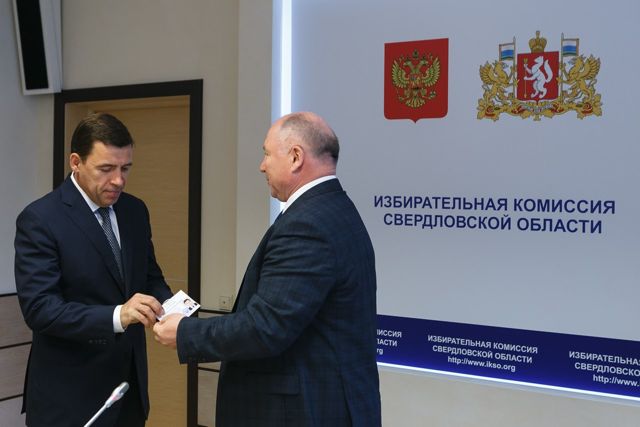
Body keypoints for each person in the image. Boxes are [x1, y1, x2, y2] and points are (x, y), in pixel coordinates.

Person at [154, 111, 381, 426]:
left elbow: (266, 327)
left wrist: (185, 332)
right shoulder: (334, 208)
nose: (262, 165)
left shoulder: (308, 224)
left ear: (295, 157)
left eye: (267, 154)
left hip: (300, 412)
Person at [14, 112, 173, 427]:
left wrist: (171, 307)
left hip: (128, 391)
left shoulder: (134, 210)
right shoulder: (41, 219)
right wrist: (118, 315)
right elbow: (41, 309)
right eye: (106, 169)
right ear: (76, 162)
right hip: (68, 398)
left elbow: (149, 277)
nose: (118, 180)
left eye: (125, 168)